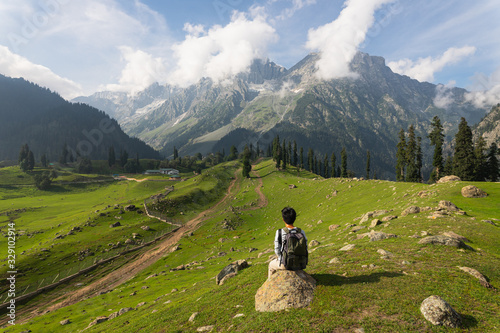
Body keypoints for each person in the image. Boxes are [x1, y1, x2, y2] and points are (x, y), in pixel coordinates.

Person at [268, 206, 308, 279]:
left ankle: (269, 284)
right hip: (300, 263)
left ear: (283, 219)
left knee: (271, 265)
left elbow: (277, 249)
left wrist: (281, 259)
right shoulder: (301, 232)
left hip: (286, 264)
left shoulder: (280, 232)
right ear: (295, 218)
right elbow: (306, 247)